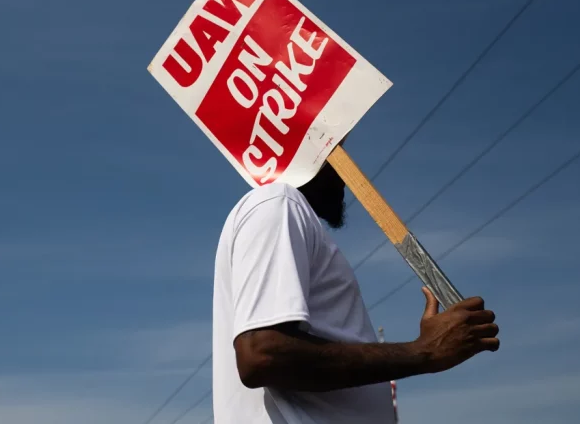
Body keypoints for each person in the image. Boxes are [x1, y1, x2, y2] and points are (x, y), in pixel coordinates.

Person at [212, 157, 500, 423]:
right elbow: (263, 356)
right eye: (336, 153)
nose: (346, 174)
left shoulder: (286, 213)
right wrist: (423, 351)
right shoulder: (278, 203)